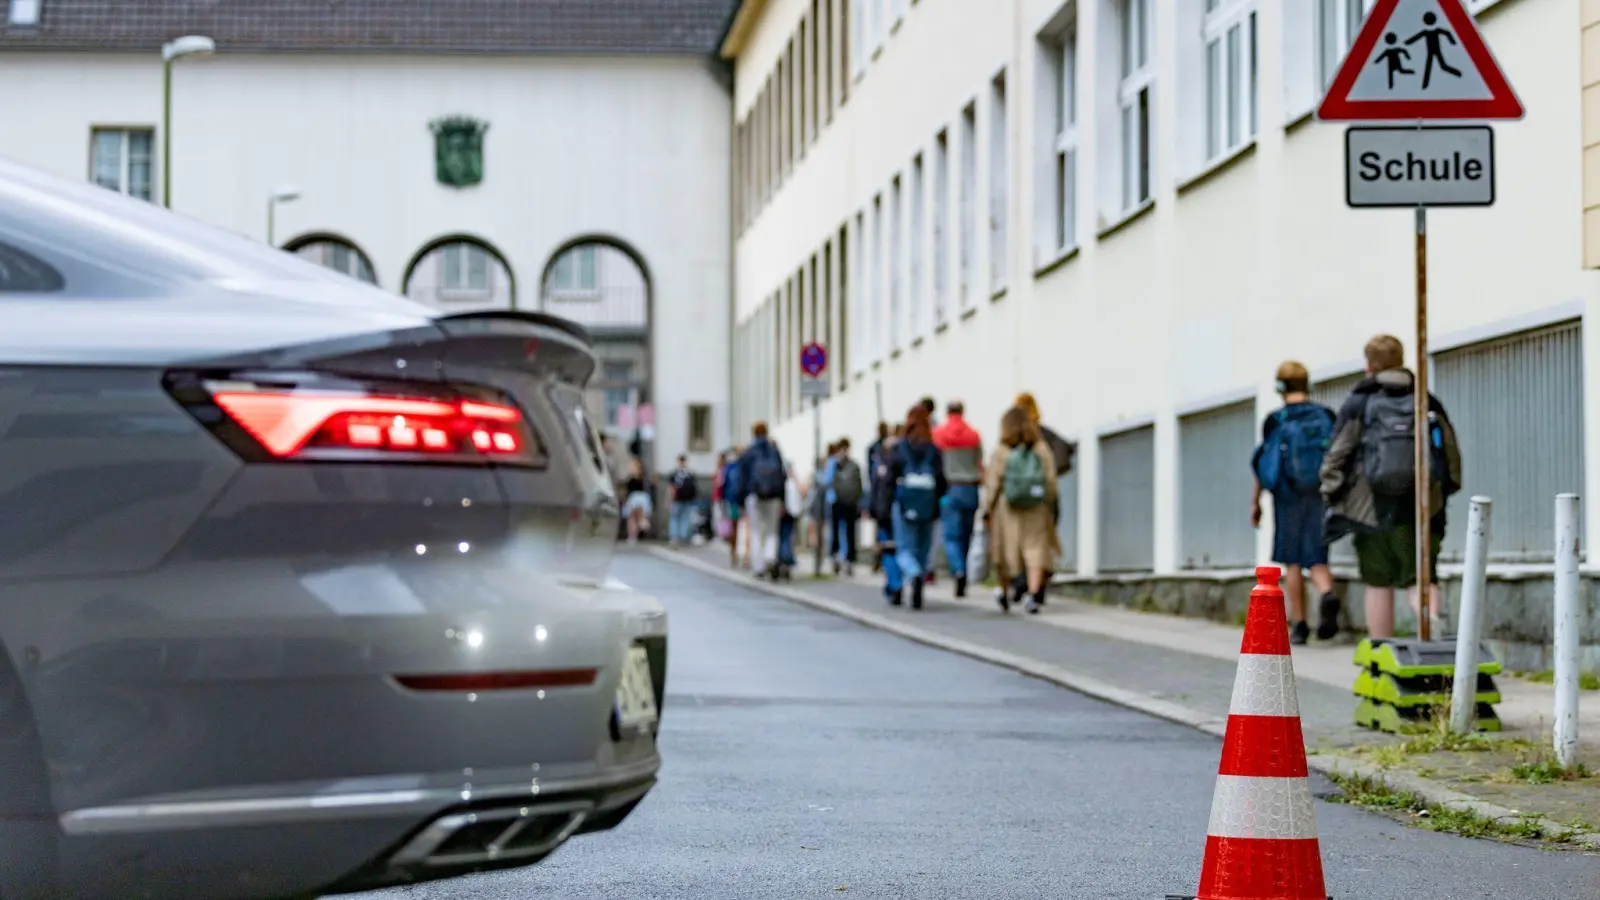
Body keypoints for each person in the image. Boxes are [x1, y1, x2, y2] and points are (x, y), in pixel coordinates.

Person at [1320, 334, 1462, 640]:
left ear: (1368, 365)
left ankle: (1379, 652)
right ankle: (1433, 630)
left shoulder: (1360, 401)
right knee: (1422, 579)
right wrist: (1441, 494)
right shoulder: (1425, 398)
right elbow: (1449, 453)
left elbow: (1337, 453)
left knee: (1378, 583)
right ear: (1401, 360)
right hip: (1421, 508)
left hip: (1372, 510)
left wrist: (1333, 494)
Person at [1251, 362, 1340, 645]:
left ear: (1280, 387)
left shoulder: (1275, 420)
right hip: (1320, 493)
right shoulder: (1325, 415)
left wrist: (1256, 502)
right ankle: (1327, 593)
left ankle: (1300, 625)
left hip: (1287, 496)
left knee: (1292, 560)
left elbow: (1263, 463)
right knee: (1317, 555)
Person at [983, 406, 1059, 613]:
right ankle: (1033, 595)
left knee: (1006, 550)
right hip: (1036, 505)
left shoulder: (1002, 450)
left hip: (1008, 507)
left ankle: (1005, 591)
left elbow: (993, 482)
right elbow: (1050, 480)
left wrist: (987, 508)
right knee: (1035, 549)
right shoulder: (1040, 448)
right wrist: (1050, 502)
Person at [1008, 393, 1076, 606]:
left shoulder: (1012, 438)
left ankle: (1021, 582)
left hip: (1017, 500)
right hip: (1044, 499)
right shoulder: (1047, 436)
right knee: (1040, 544)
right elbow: (1064, 455)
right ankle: (1037, 588)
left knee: (1019, 543)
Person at [886, 406, 948, 609]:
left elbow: (889, 478)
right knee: (923, 549)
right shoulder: (933, 450)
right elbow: (942, 482)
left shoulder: (900, 448)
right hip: (928, 507)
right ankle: (919, 580)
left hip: (904, 504)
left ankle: (912, 575)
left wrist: (885, 505)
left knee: (904, 548)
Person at [932, 399, 984, 598]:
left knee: (950, 535)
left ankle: (958, 570)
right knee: (966, 534)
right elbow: (979, 463)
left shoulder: (939, 435)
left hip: (949, 489)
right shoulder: (974, 435)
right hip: (970, 489)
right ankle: (963, 567)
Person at [734, 422, 789, 580]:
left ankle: (759, 566)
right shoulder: (774, 450)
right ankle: (770, 557)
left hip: (754, 495)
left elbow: (742, 478)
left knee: (756, 531)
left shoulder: (749, 453)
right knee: (772, 530)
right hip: (774, 496)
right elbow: (782, 476)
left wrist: (740, 500)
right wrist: (783, 499)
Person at [829, 438, 865, 575]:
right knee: (848, 532)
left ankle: (839, 558)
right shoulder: (853, 465)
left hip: (839, 501)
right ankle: (846, 559)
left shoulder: (835, 464)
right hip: (848, 502)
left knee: (840, 531)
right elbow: (859, 485)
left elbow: (828, 482)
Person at [865, 421, 891, 573]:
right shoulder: (891, 451)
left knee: (880, 531)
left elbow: (871, 477)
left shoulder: (872, 450)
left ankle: (877, 558)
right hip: (886, 499)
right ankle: (879, 558)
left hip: (879, 499)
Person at [668, 454, 699, 547]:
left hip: (678, 499)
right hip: (687, 499)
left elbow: (671, 487)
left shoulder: (675, 473)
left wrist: (670, 499)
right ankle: (682, 536)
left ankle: (676, 537)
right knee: (684, 518)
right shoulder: (690, 473)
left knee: (676, 518)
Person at [621, 457, 653, 545]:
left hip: (635, 497)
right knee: (638, 517)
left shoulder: (632, 477)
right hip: (642, 498)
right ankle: (643, 525)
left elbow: (627, 490)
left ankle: (632, 536)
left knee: (631, 518)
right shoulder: (644, 477)